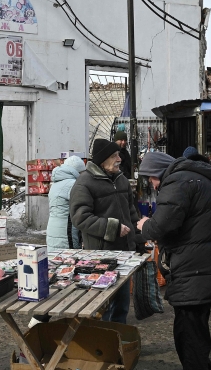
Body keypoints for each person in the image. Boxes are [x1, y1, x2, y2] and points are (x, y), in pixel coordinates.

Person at [136, 151, 211, 370]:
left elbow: (161, 225)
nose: (152, 184)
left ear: (159, 172)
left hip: (192, 270)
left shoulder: (178, 181)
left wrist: (145, 225)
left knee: (189, 338)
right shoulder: (201, 178)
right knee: (197, 331)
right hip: (205, 267)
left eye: (151, 178)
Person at [70, 138, 140, 324]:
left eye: (118, 154)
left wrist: (139, 236)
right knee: (104, 304)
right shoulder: (84, 183)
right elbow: (80, 218)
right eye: (114, 156)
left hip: (124, 252)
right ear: (102, 160)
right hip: (101, 254)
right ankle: (104, 343)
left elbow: (131, 211)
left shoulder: (121, 179)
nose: (119, 159)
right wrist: (113, 228)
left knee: (122, 302)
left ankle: (118, 340)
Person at [30, 156, 86, 329]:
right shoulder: (72, 185)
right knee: (66, 274)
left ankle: (39, 319)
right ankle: (42, 318)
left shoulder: (56, 183)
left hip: (54, 232)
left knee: (55, 273)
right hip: (66, 234)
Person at [46, 156, 86, 252]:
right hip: (66, 232)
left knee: (55, 259)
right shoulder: (73, 184)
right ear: (78, 171)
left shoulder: (55, 183)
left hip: (53, 228)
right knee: (69, 258)